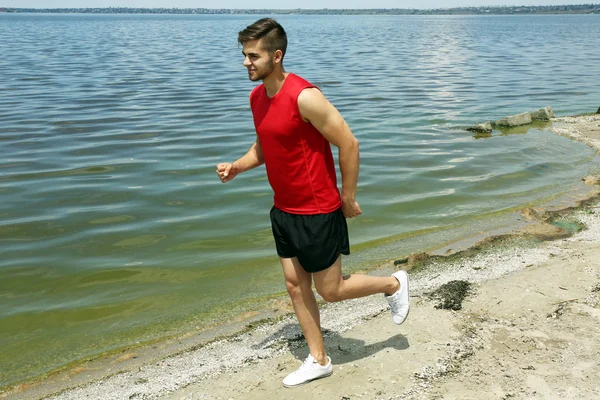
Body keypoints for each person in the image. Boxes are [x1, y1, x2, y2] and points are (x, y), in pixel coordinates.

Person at [216, 18, 409, 388]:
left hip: (318, 209)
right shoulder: (257, 98)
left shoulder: (305, 96)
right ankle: (319, 359)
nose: (246, 63)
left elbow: (348, 143)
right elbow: (267, 143)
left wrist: (347, 197)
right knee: (293, 284)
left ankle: (393, 285)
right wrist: (238, 166)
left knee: (331, 290)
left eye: (253, 56)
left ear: (277, 55)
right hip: (283, 208)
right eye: (243, 56)